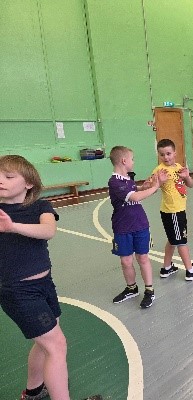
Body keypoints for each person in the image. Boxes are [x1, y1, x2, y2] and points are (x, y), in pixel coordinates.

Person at [0, 155, 102, 400]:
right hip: (17, 292)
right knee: (56, 345)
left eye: (9, 176)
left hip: (44, 285)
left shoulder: (40, 206)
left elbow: (48, 231)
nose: (1, 180)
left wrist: (12, 227)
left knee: (45, 343)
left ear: (29, 183)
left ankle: (33, 391)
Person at [109, 146, 168, 309]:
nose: (133, 162)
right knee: (126, 261)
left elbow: (135, 190)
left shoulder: (128, 178)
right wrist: (155, 187)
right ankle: (131, 288)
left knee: (143, 258)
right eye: (132, 159)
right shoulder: (114, 181)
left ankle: (149, 290)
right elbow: (134, 197)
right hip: (122, 227)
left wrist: (147, 186)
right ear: (124, 161)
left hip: (140, 224)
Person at [153, 139, 193, 281]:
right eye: (162, 154)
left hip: (179, 210)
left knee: (172, 240)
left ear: (175, 153)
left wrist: (187, 177)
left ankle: (166, 267)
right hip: (172, 212)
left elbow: (190, 185)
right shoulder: (159, 171)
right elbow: (151, 189)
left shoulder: (178, 167)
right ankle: (190, 271)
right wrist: (158, 182)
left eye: (168, 153)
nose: (166, 157)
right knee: (181, 241)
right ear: (158, 155)